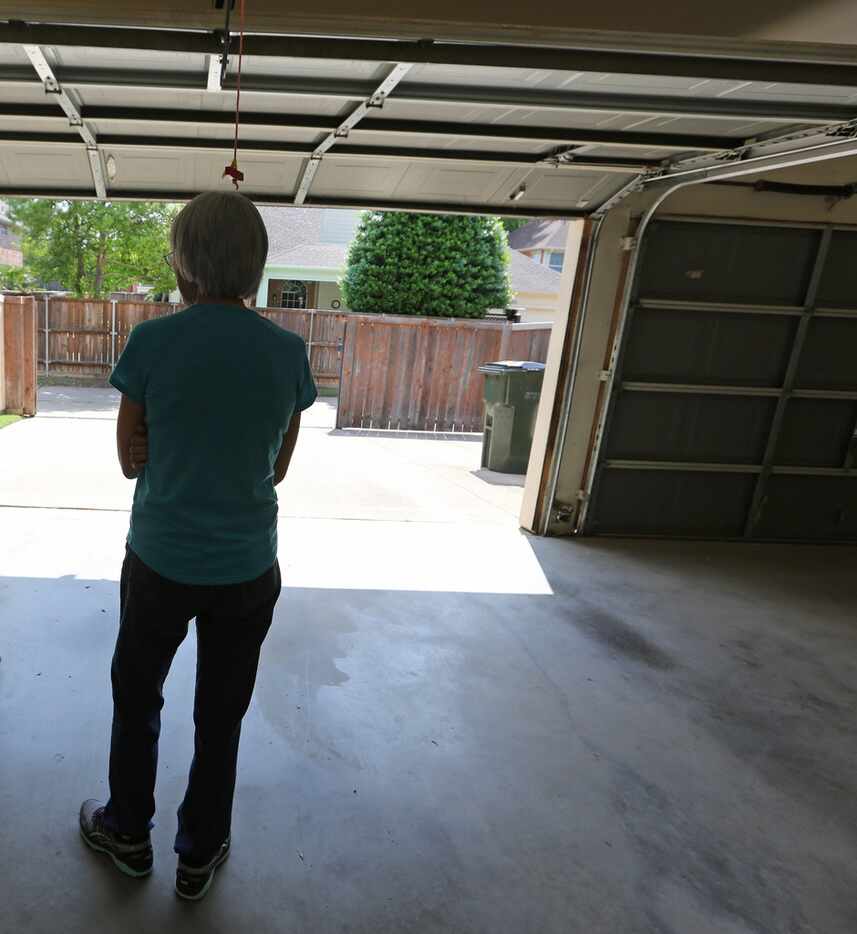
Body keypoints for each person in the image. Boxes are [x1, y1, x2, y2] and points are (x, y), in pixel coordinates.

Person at [78, 191, 317, 900]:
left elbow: (129, 457)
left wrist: (166, 443)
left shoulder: (152, 342)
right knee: (221, 714)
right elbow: (275, 466)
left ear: (182, 267)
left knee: (137, 699)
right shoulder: (286, 351)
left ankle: (126, 833)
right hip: (247, 566)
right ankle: (199, 853)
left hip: (158, 561)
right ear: (255, 268)